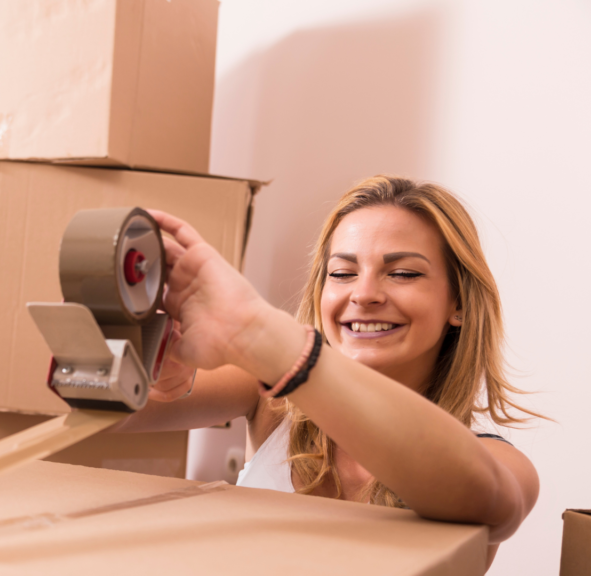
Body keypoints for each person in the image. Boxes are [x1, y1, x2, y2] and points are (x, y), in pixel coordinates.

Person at [116, 176, 540, 570]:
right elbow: (91, 411)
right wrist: (147, 364)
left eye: (403, 273)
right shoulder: (273, 400)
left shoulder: (500, 464)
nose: (365, 294)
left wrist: (268, 339)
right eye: (342, 273)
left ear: (459, 304)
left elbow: (485, 502)